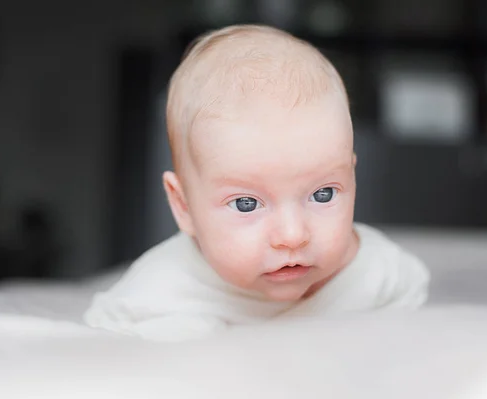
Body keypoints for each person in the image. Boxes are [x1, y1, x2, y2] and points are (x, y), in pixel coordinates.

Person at [84, 24, 430, 342]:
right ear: (183, 205)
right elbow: (99, 343)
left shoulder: (378, 274)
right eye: (246, 203)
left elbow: (410, 308)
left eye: (322, 194)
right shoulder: (157, 290)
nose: (293, 235)